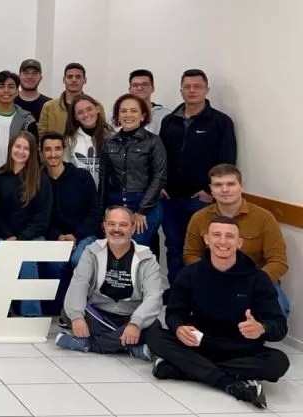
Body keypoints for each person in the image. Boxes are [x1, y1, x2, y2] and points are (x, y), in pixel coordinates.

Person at [146, 216, 290, 410]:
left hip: (240, 350)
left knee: (278, 362)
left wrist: (261, 328)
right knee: (154, 334)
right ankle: (229, 383)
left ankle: (185, 370)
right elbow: (174, 313)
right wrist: (179, 328)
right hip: (198, 343)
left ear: (239, 242)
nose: (222, 242)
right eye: (216, 235)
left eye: (229, 236)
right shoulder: (189, 274)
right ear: (206, 239)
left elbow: (279, 326)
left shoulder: (258, 279)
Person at [56, 206, 165, 361]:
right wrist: (77, 317)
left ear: (133, 228)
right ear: (104, 226)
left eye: (123, 225)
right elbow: (79, 284)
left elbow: (154, 296)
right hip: (97, 315)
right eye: (112, 224)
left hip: (130, 316)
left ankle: (88, 344)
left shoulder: (146, 257)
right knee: (71, 312)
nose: (116, 229)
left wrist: (135, 324)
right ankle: (131, 346)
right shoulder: (91, 251)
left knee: (153, 327)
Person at [160, 69, 237, 283]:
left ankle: (200, 293)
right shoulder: (169, 121)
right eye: (187, 87)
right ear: (181, 90)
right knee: (174, 246)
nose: (192, 91)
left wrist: (210, 192)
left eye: (197, 86)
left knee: (203, 247)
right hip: (171, 198)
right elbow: (160, 157)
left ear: (207, 89)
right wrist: (161, 184)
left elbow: (226, 161)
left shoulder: (221, 122)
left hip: (201, 200)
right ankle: (177, 290)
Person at [184, 164, 289, 314]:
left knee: (279, 309)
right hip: (212, 280)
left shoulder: (264, 218)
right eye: (218, 185)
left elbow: (278, 261)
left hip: (255, 281)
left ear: (241, 186)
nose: (225, 190)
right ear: (211, 189)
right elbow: (190, 255)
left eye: (231, 184)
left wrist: (254, 282)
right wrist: (210, 276)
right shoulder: (199, 218)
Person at [0, 131, 51, 317]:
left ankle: (31, 315)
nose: (21, 151)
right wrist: (8, 236)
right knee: (5, 255)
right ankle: (1, 312)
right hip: (3, 235)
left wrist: (22, 238)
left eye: (26, 148)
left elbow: (43, 217)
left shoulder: (41, 179)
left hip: (32, 236)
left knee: (26, 257)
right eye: (18, 146)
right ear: (10, 149)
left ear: (32, 153)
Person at [100, 94, 166, 246]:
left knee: (136, 250)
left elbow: (159, 176)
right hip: (114, 205)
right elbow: (103, 178)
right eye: (123, 111)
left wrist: (142, 210)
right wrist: (102, 211)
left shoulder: (153, 141)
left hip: (144, 206)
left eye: (134, 111)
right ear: (117, 115)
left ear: (143, 116)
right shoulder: (109, 143)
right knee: (115, 250)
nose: (128, 115)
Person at [41, 133, 101, 268]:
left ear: (64, 150)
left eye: (57, 148)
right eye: (48, 149)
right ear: (41, 152)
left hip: (84, 235)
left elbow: (95, 213)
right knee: (54, 264)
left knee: (77, 260)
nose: (53, 154)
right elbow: (40, 217)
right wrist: (58, 236)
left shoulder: (82, 177)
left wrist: (75, 236)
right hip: (56, 238)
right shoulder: (39, 181)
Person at [39, 63, 103, 137]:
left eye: (78, 77)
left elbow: (103, 132)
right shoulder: (49, 107)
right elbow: (42, 136)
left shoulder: (95, 106)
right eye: (70, 77)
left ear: (85, 80)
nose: (74, 80)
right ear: (64, 80)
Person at [62, 94, 112, 186]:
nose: (86, 114)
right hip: (80, 193)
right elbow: (66, 169)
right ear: (75, 117)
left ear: (97, 109)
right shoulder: (69, 140)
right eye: (80, 112)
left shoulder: (111, 136)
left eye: (89, 109)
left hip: (106, 193)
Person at [128, 69, 171, 134]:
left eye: (144, 84)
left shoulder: (166, 115)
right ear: (129, 90)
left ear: (153, 88)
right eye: (135, 85)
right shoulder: (119, 114)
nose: (139, 88)